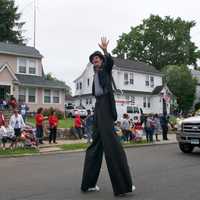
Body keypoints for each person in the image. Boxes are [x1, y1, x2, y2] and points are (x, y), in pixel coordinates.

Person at [81, 37, 135, 196]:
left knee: (111, 145)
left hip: (105, 106)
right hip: (99, 108)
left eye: (97, 59)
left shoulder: (105, 69)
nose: (94, 61)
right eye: (93, 60)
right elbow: (95, 93)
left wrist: (105, 50)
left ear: (101, 60)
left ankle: (123, 185)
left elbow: (110, 62)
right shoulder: (96, 75)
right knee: (97, 146)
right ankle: (89, 184)